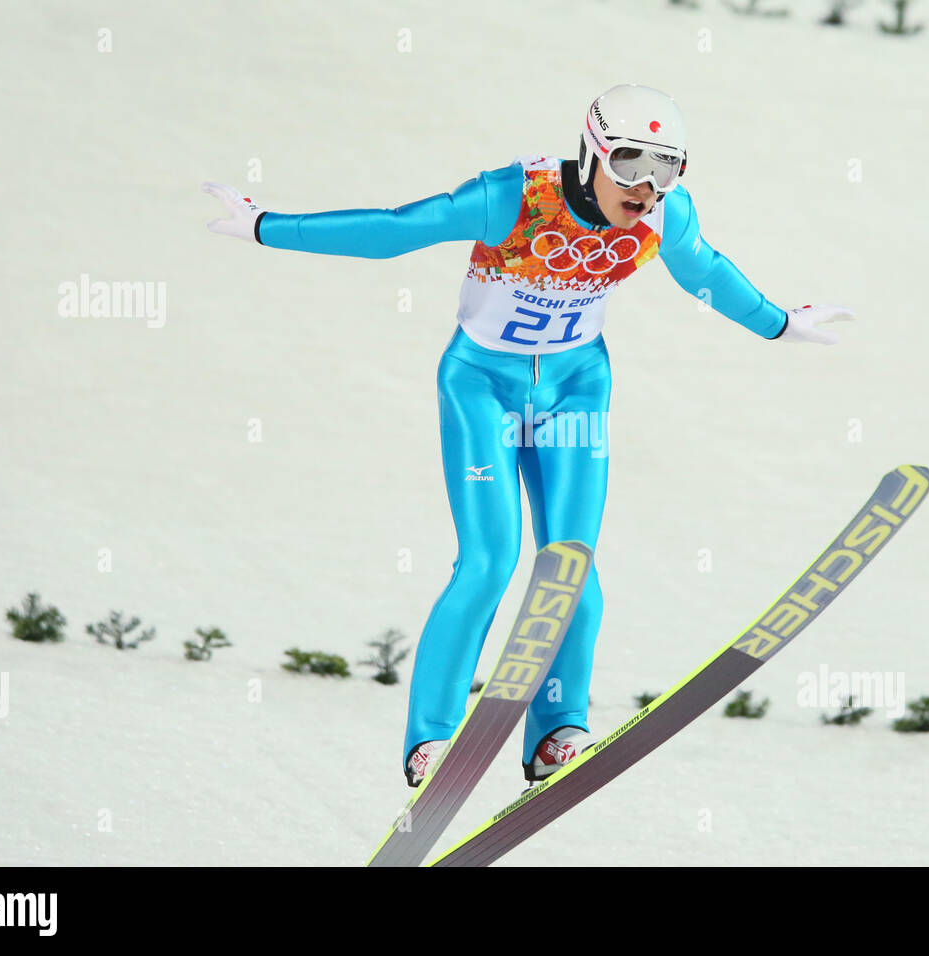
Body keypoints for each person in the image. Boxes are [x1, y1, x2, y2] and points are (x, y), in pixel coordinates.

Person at [204, 83, 852, 787]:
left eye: (667, 169)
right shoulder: (514, 195)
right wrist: (266, 224)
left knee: (572, 567)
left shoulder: (665, 217)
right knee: (489, 560)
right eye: (631, 164)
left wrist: (780, 323)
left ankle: (556, 732)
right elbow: (394, 231)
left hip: (576, 387)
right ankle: (431, 739)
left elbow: (708, 275)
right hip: (482, 386)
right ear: (592, 153)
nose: (646, 188)